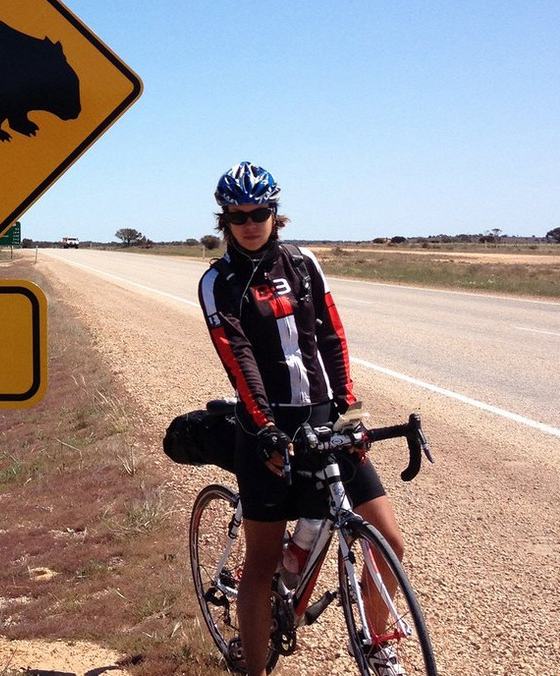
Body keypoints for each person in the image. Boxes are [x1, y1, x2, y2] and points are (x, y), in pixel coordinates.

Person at [197, 162, 407, 676]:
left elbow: (332, 336)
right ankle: (253, 669)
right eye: (238, 214)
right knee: (262, 564)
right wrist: (266, 425)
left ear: (276, 213)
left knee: (389, 541)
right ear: (224, 219)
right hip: (264, 427)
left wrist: (350, 406)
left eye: (260, 212)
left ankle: (379, 645)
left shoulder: (304, 263)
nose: (250, 222)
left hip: (324, 417)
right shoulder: (218, 281)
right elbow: (238, 356)